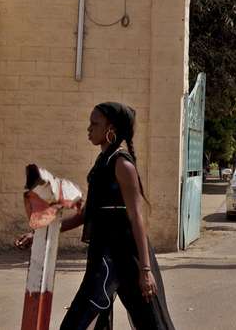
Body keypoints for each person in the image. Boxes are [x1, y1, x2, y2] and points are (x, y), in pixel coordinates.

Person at [15, 102, 174, 329]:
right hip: (104, 257)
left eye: (94, 123)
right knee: (79, 321)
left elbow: (137, 218)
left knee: (152, 323)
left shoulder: (122, 164)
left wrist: (146, 271)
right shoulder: (102, 162)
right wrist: (41, 233)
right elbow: (88, 214)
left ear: (111, 128)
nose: (88, 128)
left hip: (129, 259)